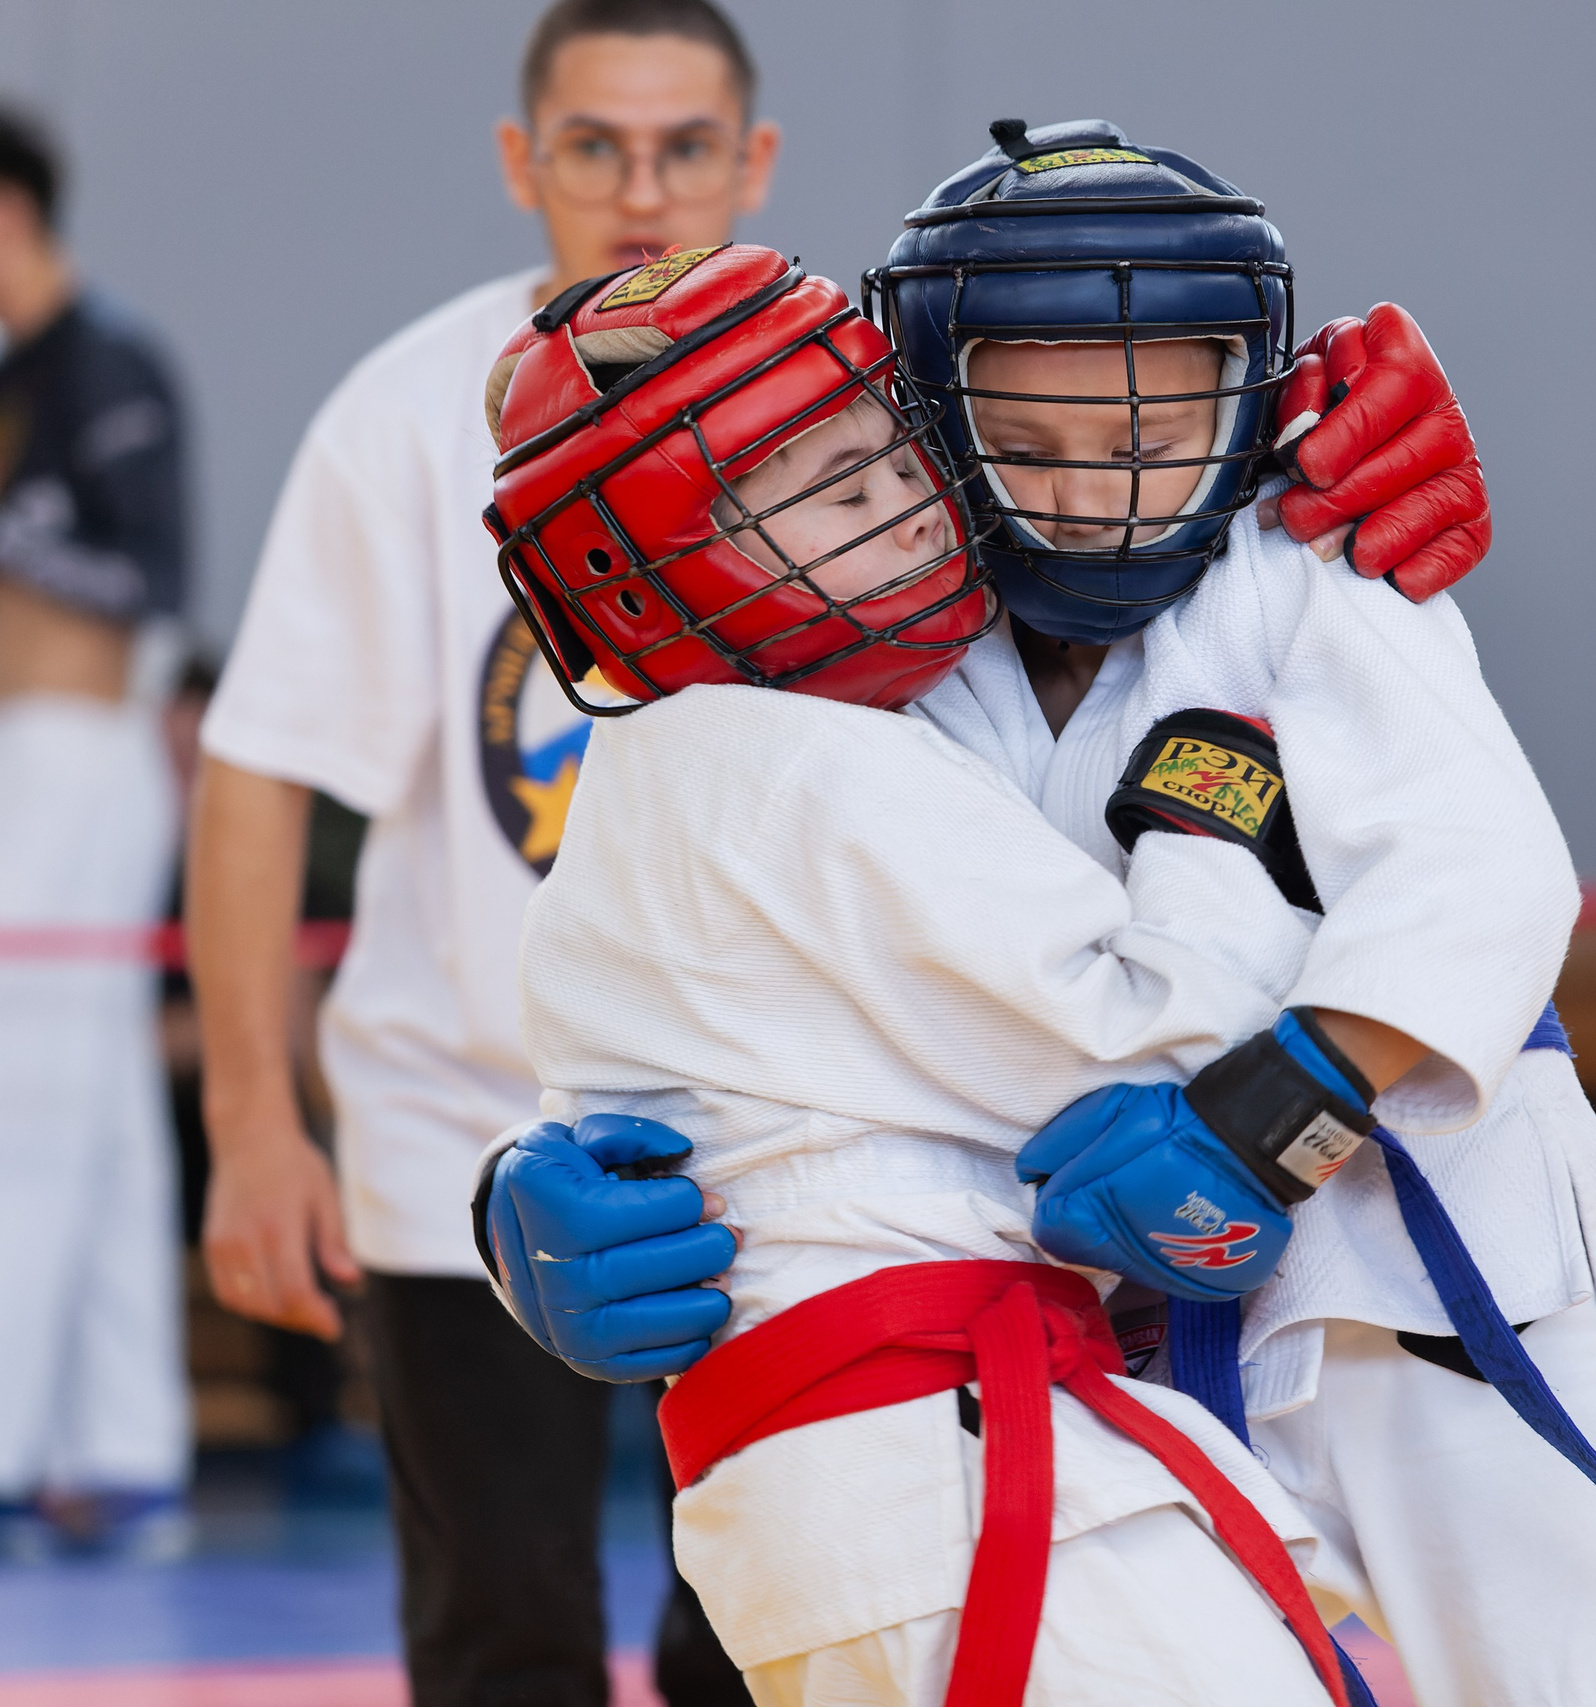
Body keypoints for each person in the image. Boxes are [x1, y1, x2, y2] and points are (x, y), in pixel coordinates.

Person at [187, 17, 1487, 1707]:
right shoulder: (428, 438)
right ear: (526, 163)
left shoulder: (889, 401)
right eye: (596, 146)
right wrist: (287, 1129)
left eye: (684, 146)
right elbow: (264, 770)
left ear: (758, 157)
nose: (643, 190)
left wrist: (1299, 457)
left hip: (911, 1249)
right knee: (503, 1636)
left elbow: (1126, 428)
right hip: (578, 1168)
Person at [485, 126, 1596, 1707]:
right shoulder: (864, 647)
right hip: (1114, 1329)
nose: (1103, 493)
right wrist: (533, 1174)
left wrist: (1282, 1105)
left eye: (1157, 433)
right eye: (1030, 442)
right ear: (922, 415)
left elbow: (1487, 872)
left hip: (1438, 1274)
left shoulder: (1310, 551)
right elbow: (723, 979)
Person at [0, 101, 193, 1561]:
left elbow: (147, 582)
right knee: (100, 1101)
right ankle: (118, 1444)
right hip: (29, 754)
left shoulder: (107, 363)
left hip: (80, 756)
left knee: (35, 1087)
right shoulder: (22, 376)